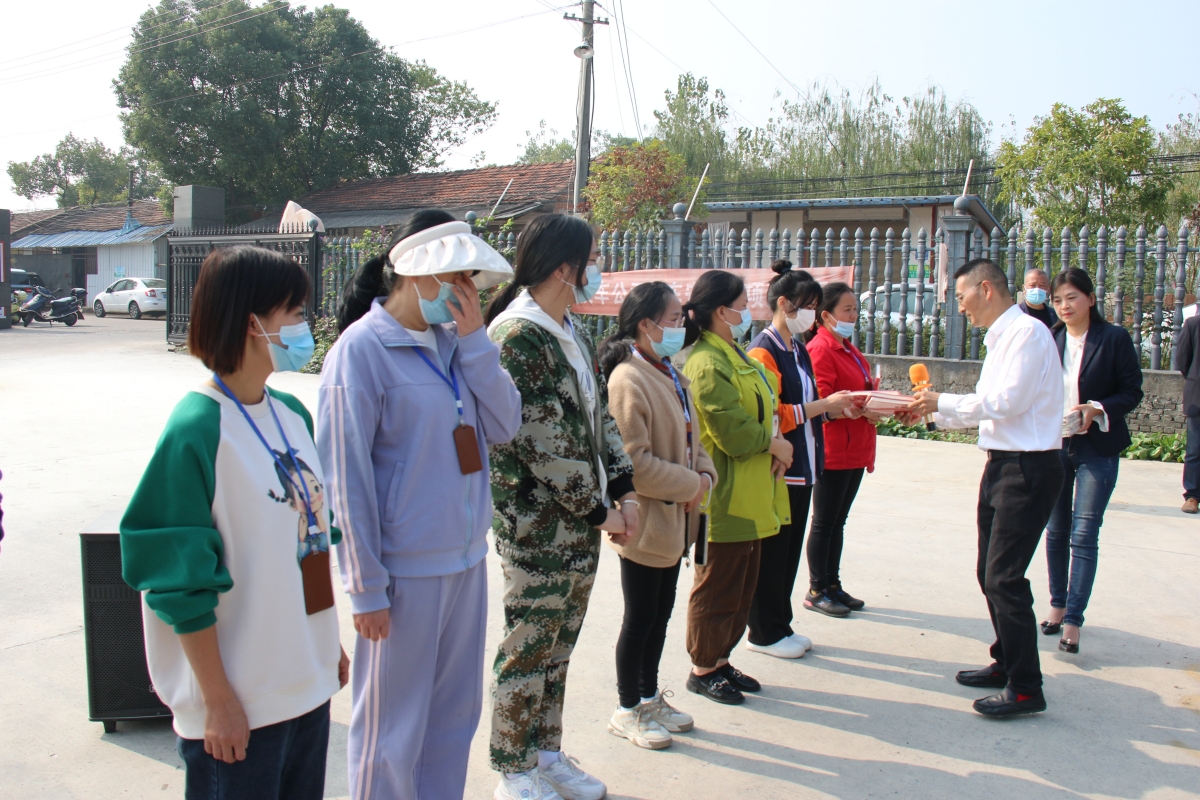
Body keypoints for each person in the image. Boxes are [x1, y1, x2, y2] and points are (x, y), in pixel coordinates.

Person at [120, 246, 348, 800]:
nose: (305, 326)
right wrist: (217, 698)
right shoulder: (197, 428)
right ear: (253, 322)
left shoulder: (290, 413)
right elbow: (176, 580)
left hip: (305, 684)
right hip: (242, 703)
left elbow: (312, 537)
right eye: (294, 313)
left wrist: (325, 644)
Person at [318, 211, 522, 800]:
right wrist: (365, 588)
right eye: (455, 276)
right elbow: (346, 480)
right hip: (403, 573)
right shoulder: (361, 352)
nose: (465, 291)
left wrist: (477, 340)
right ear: (415, 275)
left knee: (451, 721)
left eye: (469, 279)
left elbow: (505, 424)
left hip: (464, 563)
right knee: (391, 731)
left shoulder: (454, 345)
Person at [485, 213, 638, 800]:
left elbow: (600, 421)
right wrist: (602, 512)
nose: (598, 271)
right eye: (593, 259)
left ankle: (546, 753)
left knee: (558, 647)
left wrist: (622, 488)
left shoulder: (568, 330)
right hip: (538, 527)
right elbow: (541, 440)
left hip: (581, 523)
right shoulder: (517, 336)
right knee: (527, 647)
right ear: (564, 269)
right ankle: (513, 767)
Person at [909, 257, 1065, 718]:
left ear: (986, 289)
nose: (960, 308)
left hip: (1029, 469)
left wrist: (941, 400)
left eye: (961, 297)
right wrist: (930, 412)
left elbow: (1006, 402)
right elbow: (988, 410)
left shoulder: (1027, 334)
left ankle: (1026, 687)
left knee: (1004, 577)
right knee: (988, 573)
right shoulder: (1002, 339)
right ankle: (1007, 660)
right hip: (1003, 465)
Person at [598, 281, 718, 750]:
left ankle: (650, 697)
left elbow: (695, 440)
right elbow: (633, 463)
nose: (682, 325)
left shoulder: (668, 370)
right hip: (645, 523)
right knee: (640, 618)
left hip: (676, 522)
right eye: (673, 318)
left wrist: (704, 477)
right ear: (646, 324)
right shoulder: (629, 378)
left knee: (661, 614)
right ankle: (627, 708)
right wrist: (693, 484)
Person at [680, 269, 792, 706]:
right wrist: (775, 445)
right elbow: (732, 430)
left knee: (742, 586)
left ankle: (721, 660)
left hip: (753, 492)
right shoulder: (706, 362)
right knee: (717, 586)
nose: (749, 312)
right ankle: (703, 667)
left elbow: (766, 410)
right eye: (743, 305)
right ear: (721, 311)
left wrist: (777, 444)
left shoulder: (735, 353)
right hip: (723, 498)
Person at [746, 262, 858, 657]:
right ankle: (764, 631)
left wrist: (838, 407)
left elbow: (810, 406)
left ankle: (781, 625)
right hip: (782, 468)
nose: (812, 316)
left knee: (788, 555)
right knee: (773, 556)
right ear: (784, 304)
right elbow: (772, 414)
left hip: (806, 465)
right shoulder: (764, 350)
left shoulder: (797, 348)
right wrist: (821, 405)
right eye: (807, 307)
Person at [1041, 268, 1142, 654]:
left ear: (1091, 299)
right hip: (1055, 446)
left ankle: (1073, 621)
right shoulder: (1051, 338)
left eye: (1072, 298)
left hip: (1097, 449)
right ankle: (1057, 603)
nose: (1065, 306)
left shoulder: (1113, 338)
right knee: (1055, 531)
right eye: (1058, 300)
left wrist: (1096, 409)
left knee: (1084, 533)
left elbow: (1132, 390)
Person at [805, 282, 880, 617]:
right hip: (834, 448)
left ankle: (833, 584)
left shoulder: (848, 347)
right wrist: (847, 406)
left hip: (856, 445)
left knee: (838, 521)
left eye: (855, 310)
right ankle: (817, 588)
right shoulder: (821, 349)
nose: (853, 315)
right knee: (824, 521)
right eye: (847, 310)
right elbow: (821, 400)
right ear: (826, 315)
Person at [1173, 308, 1200, 513]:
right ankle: (1192, 496)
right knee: (1195, 449)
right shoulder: (1193, 324)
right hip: (1198, 396)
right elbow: (1182, 360)